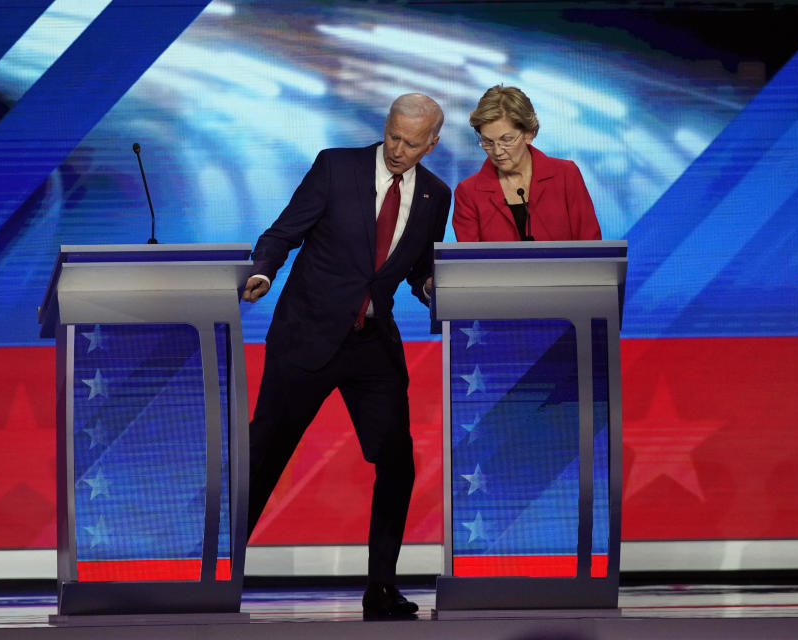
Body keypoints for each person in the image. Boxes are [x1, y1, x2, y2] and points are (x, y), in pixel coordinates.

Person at [242, 93, 450, 620]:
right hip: (306, 335)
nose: (399, 150)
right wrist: (262, 270)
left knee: (397, 463)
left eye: (411, 142)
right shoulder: (337, 166)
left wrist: (435, 290)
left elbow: (418, 267)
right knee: (260, 459)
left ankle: (381, 587)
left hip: (372, 346)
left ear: (433, 143)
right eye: (393, 136)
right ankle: (214, 573)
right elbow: (283, 231)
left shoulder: (434, 195)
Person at [452, 85, 601, 242]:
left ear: (529, 134)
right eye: (487, 142)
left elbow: (591, 247)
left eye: (506, 140)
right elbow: (470, 263)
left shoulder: (566, 175)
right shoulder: (468, 193)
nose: (497, 151)